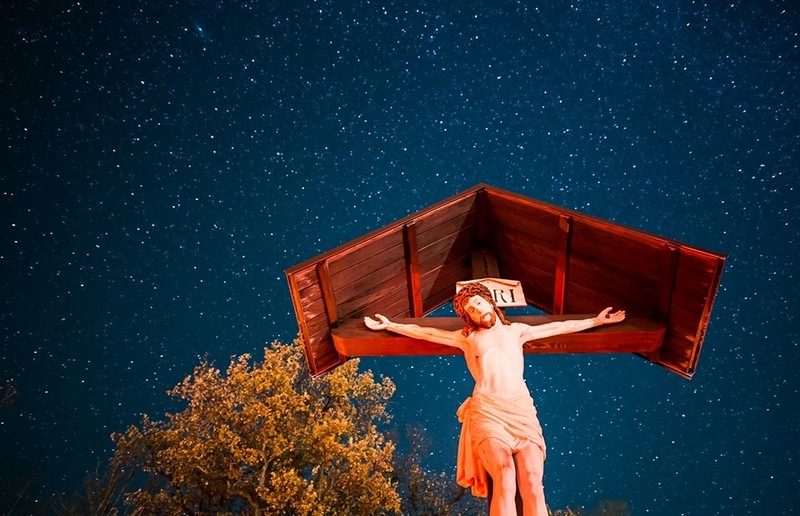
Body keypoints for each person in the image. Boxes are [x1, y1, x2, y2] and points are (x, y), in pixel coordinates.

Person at [364, 282, 625, 516]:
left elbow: (558, 327)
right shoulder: (469, 338)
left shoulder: (517, 331)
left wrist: (596, 321)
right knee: (504, 474)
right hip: (488, 411)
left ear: (489, 301)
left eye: (478, 303)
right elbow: (428, 332)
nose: (477, 310)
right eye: (471, 310)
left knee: (533, 481)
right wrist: (391, 325)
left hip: (522, 411)